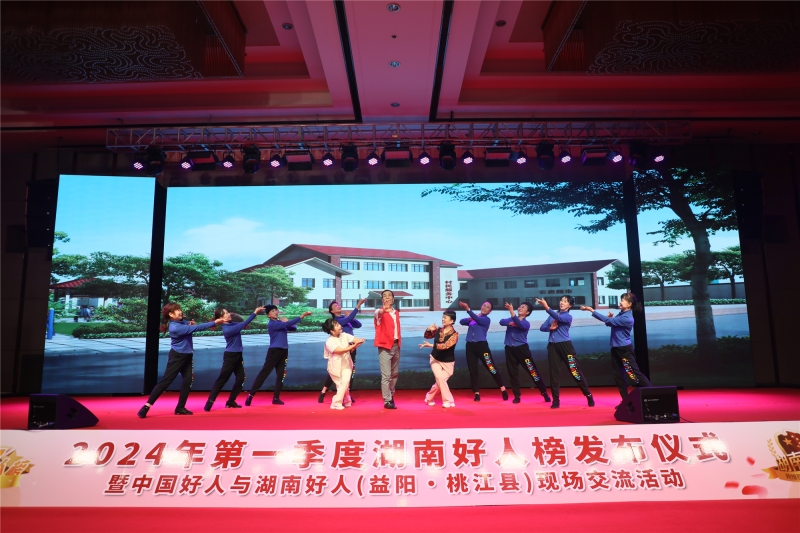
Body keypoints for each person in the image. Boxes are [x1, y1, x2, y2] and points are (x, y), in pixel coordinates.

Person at [137, 302, 229, 418]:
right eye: (177, 310)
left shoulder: (182, 323)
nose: (180, 311)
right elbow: (197, 328)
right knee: (166, 382)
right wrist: (215, 322)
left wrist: (191, 323)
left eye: (180, 309)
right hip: (177, 356)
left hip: (187, 356)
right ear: (171, 314)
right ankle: (146, 406)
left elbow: (192, 326)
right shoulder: (175, 328)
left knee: (188, 381)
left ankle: (180, 407)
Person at [580, 292, 651, 402]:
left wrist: (592, 310)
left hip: (624, 350)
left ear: (629, 304)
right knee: (618, 376)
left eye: (623, 300)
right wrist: (610, 318)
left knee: (634, 374)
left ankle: (653, 393)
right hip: (616, 348)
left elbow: (608, 321)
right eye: (621, 300)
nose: (620, 302)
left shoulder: (627, 318)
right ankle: (626, 401)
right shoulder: (621, 315)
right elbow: (609, 323)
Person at [245, 305, 313, 406]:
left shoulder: (280, 323)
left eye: (276, 310)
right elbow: (288, 324)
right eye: (272, 311)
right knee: (264, 374)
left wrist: (287, 322)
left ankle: (276, 398)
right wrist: (301, 316)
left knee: (281, 375)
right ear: (268, 315)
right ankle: (250, 395)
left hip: (284, 351)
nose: (275, 312)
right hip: (274, 351)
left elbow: (293, 328)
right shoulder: (272, 324)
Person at [536, 295, 594, 409]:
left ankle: (588, 395)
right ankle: (555, 400)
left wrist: (546, 307)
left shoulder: (568, 316)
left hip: (565, 346)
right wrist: (550, 328)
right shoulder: (552, 315)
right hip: (552, 346)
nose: (562, 302)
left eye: (566, 301)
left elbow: (558, 318)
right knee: (554, 374)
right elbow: (542, 327)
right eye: (561, 300)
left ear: (570, 305)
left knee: (574, 371)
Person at [204, 306, 265, 412]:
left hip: (238, 355)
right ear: (221, 318)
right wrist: (255, 312)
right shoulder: (228, 329)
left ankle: (231, 401)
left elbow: (243, 324)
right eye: (226, 314)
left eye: (228, 312)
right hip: (230, 356)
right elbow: (244, 324)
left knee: (241, 378)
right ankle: (209, 402)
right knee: (222, 379)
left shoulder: (232, 324)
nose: (229, 314)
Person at [500, 301, 551, 404]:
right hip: (509, 349)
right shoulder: (512, 319)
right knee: (513, 373)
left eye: (523, 307)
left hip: (522, 349)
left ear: (527, 312)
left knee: (532, 370)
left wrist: (511, 312)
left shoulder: (526, 323)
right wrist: (510, 323)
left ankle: (544, 392)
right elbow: (501, 321)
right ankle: (517, 395)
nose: (520, 308)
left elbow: (520, 324)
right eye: (520, 306)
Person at [318, 298, 367, 404]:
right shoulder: (336, 321)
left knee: (349, 371)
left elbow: (358, 325)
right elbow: (348, 320)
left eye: (338, 304)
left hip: (352, 346)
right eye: (335, 306)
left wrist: (350, 317)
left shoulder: (345, 318)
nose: (338, 306)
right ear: (332, 311)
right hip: (341, 348)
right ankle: (324, 390)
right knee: (336, 371)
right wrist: (358, 305)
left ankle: (347, 394)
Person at [458, 300, 508, 401]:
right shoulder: (474, 318)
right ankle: (476, 393)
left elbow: (478, 319)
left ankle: (502, 388)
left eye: (487, 307)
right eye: (484, 305)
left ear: (489, 311)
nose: (485, 308)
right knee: (473, 370)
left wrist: (468, 309)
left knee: (491, 367)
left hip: (482, 346)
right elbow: (462, 321)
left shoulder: (486, 319)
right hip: (470, 346)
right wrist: (470, 318)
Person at [420, 310, 460, 408]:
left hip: (448, 362)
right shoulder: (438, 330)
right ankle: (448, 401)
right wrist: (429, 329)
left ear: (452, 321)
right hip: (435, 359)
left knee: (440, 382)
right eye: (443, 317)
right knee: (440, 378)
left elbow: (446, 346)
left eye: (445, 317)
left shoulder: (455, 335)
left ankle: (429, 398)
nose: (443, 319)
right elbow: (427, 336)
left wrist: (431, 345)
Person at [374, 290, 401, 409]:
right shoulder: (378, 312)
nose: (387, 298)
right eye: (384, 296)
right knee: (386, 376)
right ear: (382, 300)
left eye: (389, 296)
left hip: (396, 345)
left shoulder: (396, 312)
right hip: (385, 347)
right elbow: (379, 312)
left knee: (394, 374)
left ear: (393, 299)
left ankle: (391, 395)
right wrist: (383, 310)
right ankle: (387, 400)